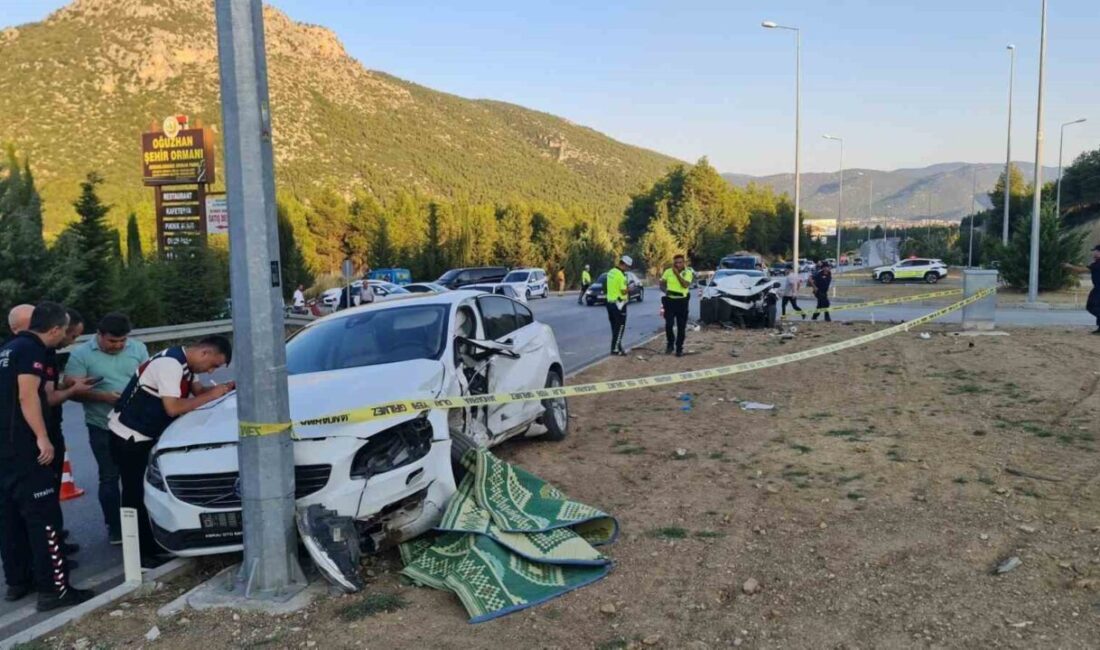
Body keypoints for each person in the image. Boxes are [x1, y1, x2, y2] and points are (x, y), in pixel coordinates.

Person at [0, 302, 95, 611]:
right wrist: (42, 437)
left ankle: (18, 580)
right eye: (65, 331)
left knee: (11, 518)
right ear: (54, 329)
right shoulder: (32, 350)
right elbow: (27, 395)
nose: (65, 336)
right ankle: (55, 589)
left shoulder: (8, 349)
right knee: (44, 518)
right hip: (26, 449)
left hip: (5, 449)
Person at [108, 336, 234, 567]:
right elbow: (173, 407)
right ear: (204, 353)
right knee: (134, 495)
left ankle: (151, 544)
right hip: (130, 436)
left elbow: (198, 391)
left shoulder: (186, 364)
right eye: (213, 365)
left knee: (149, 492)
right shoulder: (170, 365)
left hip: (146, 434)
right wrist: (211, 395)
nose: (211, 371)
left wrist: (225, 389)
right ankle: (137, 555)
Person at [66, 312, 150, 545]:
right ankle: (116, 528)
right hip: (101, 426)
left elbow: (149, 379)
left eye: (122, 340)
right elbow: (71, 393)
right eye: (113, 341)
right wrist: (103, 397)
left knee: (140, 476)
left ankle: (144, 525)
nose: (118, 345)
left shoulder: (138, 349)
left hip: (136, 425)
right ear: (99, 335)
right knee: (109, 477)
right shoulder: (81, 355)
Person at [660, 254, 694, 357]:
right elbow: (662, 284)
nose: (678, 264)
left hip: (682, 302)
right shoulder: (668, 271)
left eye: (680, 262)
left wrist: (677, 274)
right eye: (676, 263)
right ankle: (670, 344)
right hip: (670, 301)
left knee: (681, 326)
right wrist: (665, 291)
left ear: (684, 263)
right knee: (669, 325)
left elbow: (685, 285)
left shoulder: (688, 272)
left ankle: (679, 348)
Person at [1067, 244, 1100, 334]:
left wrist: (1069, 266)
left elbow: (1081, 270)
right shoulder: (1096, 263)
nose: (1094, 253)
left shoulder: (1098, 264)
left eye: (1096, 251)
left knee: (1091, 306)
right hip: (1097, 288)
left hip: (1098, 289)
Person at [606, 255, 632, 356]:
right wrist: (629, 288)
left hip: (610, 303)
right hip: (619, 304)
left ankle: (618, 346)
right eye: (628, 267)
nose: (627, 269)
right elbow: (623, 290)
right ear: (624, 265)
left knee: (614, 327)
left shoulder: (611, 272)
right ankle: (615, 349)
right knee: (620, 327)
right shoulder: (621, 276)